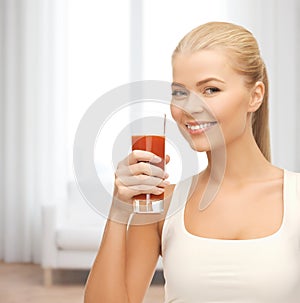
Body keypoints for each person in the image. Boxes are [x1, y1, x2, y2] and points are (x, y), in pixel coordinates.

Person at [84, 21, 300, 303]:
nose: (190, 108)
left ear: (255, 96)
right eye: (180, 93)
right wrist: (118, 209)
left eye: (210, 90)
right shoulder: (162, 206)